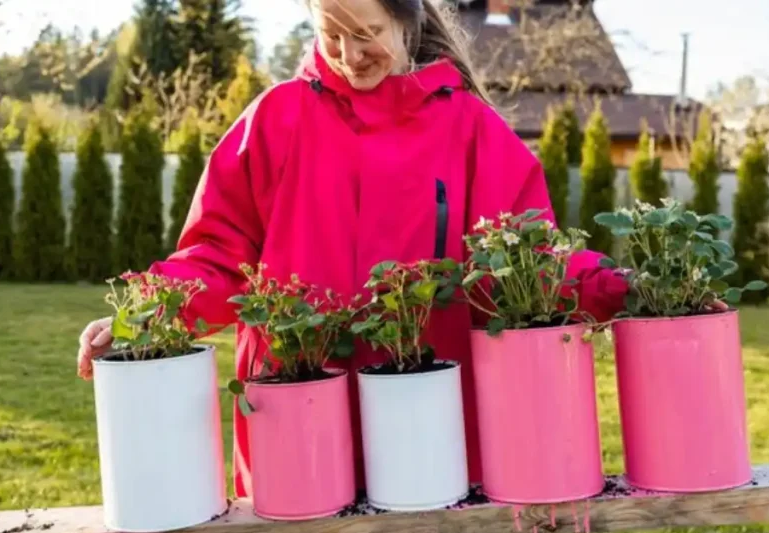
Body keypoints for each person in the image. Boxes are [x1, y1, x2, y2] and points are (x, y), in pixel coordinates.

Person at [77, 0, 631, 497]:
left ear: (406, 21)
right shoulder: (276, 121)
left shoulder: (471, 131)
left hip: (429, 415)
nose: (349, 55)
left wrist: (615, 286)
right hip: (296, 410)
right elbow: (219, 254)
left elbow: (523, 265)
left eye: (367, 33)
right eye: (330, 35)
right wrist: (149, 312)